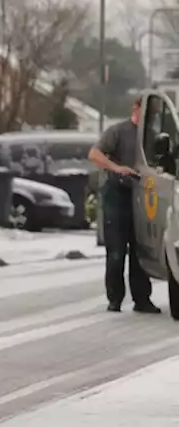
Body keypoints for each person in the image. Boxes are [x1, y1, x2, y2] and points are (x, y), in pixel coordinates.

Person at [87, 97, 160, 313]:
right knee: (117, 250)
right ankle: (115, 298)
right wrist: (116, 168)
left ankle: (142, 299)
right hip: (117, 195)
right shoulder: (118, 131)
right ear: (135, 109)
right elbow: (94, 154)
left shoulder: (152, 138)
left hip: (143, 196)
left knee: (141, 249)